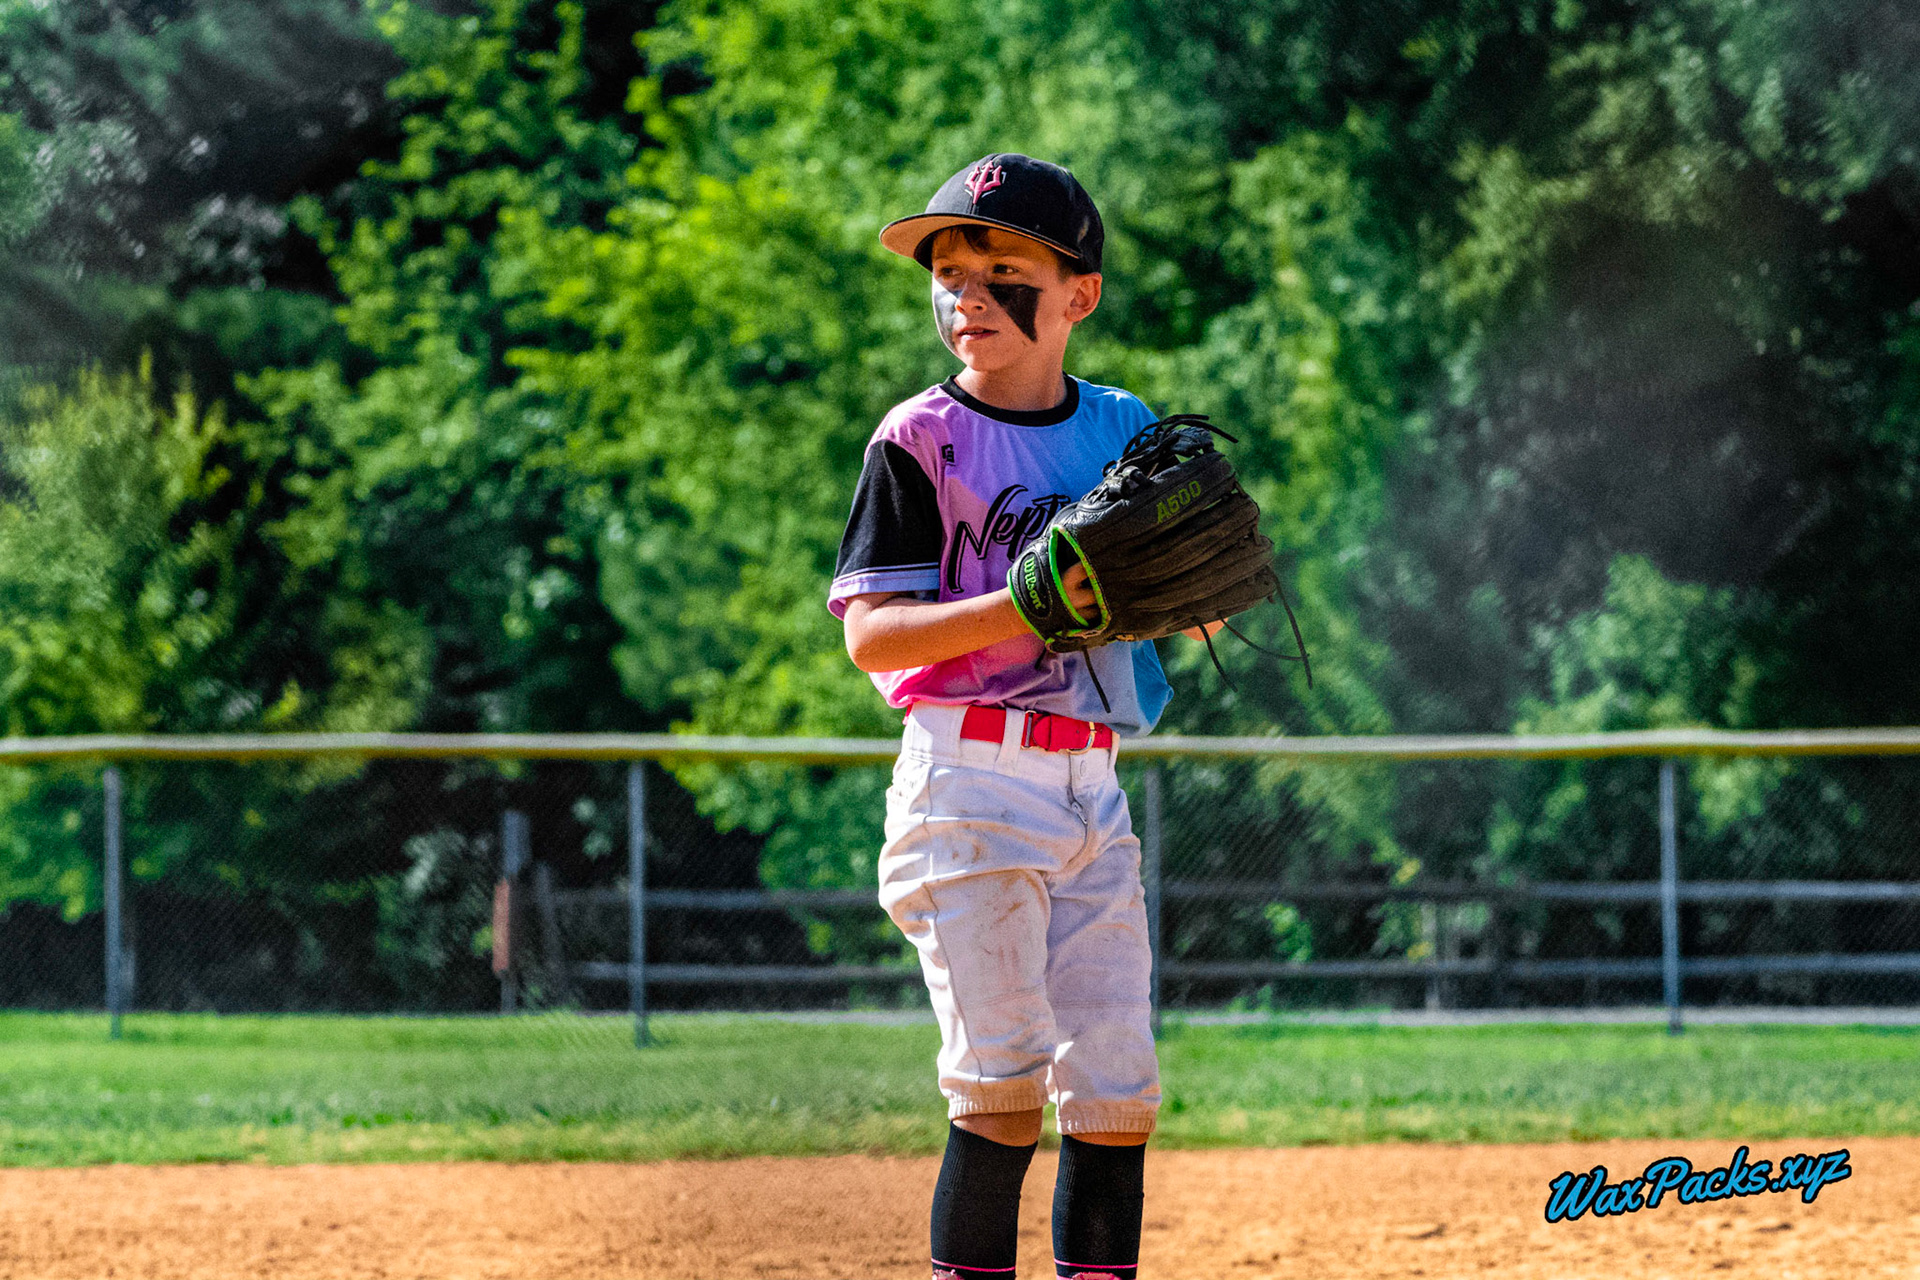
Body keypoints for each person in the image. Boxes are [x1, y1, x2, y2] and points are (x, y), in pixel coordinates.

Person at [830, 153, 1217, 1280]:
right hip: (970, 784)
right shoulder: (918, 439)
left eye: (1005, 272)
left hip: (1093, 781)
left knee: (1117, 1090)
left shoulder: (1124, 425)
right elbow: (873, 636)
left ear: (1078, 296)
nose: (969, 296)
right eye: (949, 273)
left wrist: (1195, 585)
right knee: (1001, 1085)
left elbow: (1185, 601)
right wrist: (1020, 603)